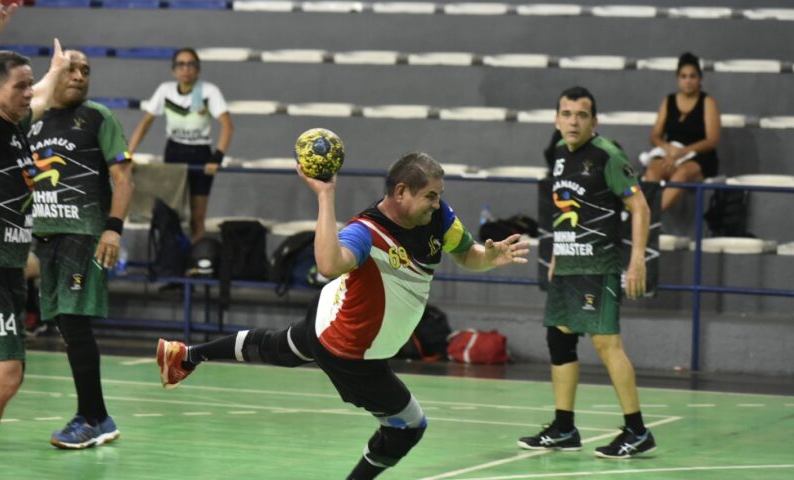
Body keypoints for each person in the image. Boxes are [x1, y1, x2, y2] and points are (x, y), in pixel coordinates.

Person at [157, 152, 529, 479]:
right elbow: (327, 263)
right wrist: (325, 195)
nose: (437, 203)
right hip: (351, 354)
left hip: (329, 318)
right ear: (401, 192)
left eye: (439, 196)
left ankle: (187, 355)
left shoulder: (438, 217)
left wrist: (489, 257)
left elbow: (468, 254)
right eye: (430, 196)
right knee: (408, 427)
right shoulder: (365, 232)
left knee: (277, 348)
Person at [517, 87, 656, 459]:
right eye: (566, 113)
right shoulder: (560, 154)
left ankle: (637, 430)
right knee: (559, 339)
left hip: (599, 264)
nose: (573, 121)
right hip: (568, 262)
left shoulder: (608, 155)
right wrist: (557, 258)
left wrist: (637, 259)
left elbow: (639, 206)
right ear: (556, 118)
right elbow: (567, 209)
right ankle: (564, 427)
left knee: (606, 344)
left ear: (594, 121)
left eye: (581, 115)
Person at [0, 1, 67, 478]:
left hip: (5, 267)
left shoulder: (19, 129)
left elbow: (42, 94)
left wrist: (55, 71)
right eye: (19, 86)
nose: (29, 92)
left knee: (8, 377)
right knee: (3, 376)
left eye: (29, 85)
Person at [26, 49, 134, 449]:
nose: (79, 76)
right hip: (45, 237)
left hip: (84, 233)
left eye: (85, 71)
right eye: (72, 69)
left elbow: (124, 179)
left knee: (74, 325)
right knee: (67, 329)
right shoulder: (32, 120)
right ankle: (98, 416)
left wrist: (113, 229)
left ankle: (91, 417)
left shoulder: (96, 117)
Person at [127, 48, 232, 243]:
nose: (186, 69)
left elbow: (227, 126)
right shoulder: (165, 90)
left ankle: (194, 265)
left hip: (201, 155)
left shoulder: (209, 91)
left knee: (197, 217)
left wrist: (217, 157)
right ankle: (171, 260)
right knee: (169, 214)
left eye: (191, 64)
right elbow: (145, 122)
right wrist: (129, 153)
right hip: (174, 152)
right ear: (174, 69)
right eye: (181, 64)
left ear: (198, 69)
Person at [643, 52, 721, 211]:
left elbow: (712, 141)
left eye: (692, 76)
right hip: (671, 153)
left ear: (700, 79)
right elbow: (655, 136)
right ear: (678, 78)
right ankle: (648, 218)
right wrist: (669, 149)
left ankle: (651, 218)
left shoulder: (708, 102)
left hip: (699, 157)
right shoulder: (669, 101)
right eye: (683, 76)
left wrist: (684, 152)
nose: (688, 81)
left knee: (682, 173)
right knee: (653, 170)